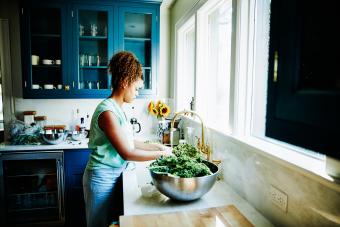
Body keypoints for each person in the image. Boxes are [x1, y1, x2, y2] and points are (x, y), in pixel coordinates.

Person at [83, 51, 172, 227]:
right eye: (137, 88)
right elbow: (127, 152)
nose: (138, 93)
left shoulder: (118, 108)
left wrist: (156, 146)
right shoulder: (107, 112)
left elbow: (129, 142)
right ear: (124, 82)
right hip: (101, 179)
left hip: (116, 175)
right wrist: (162, 156)